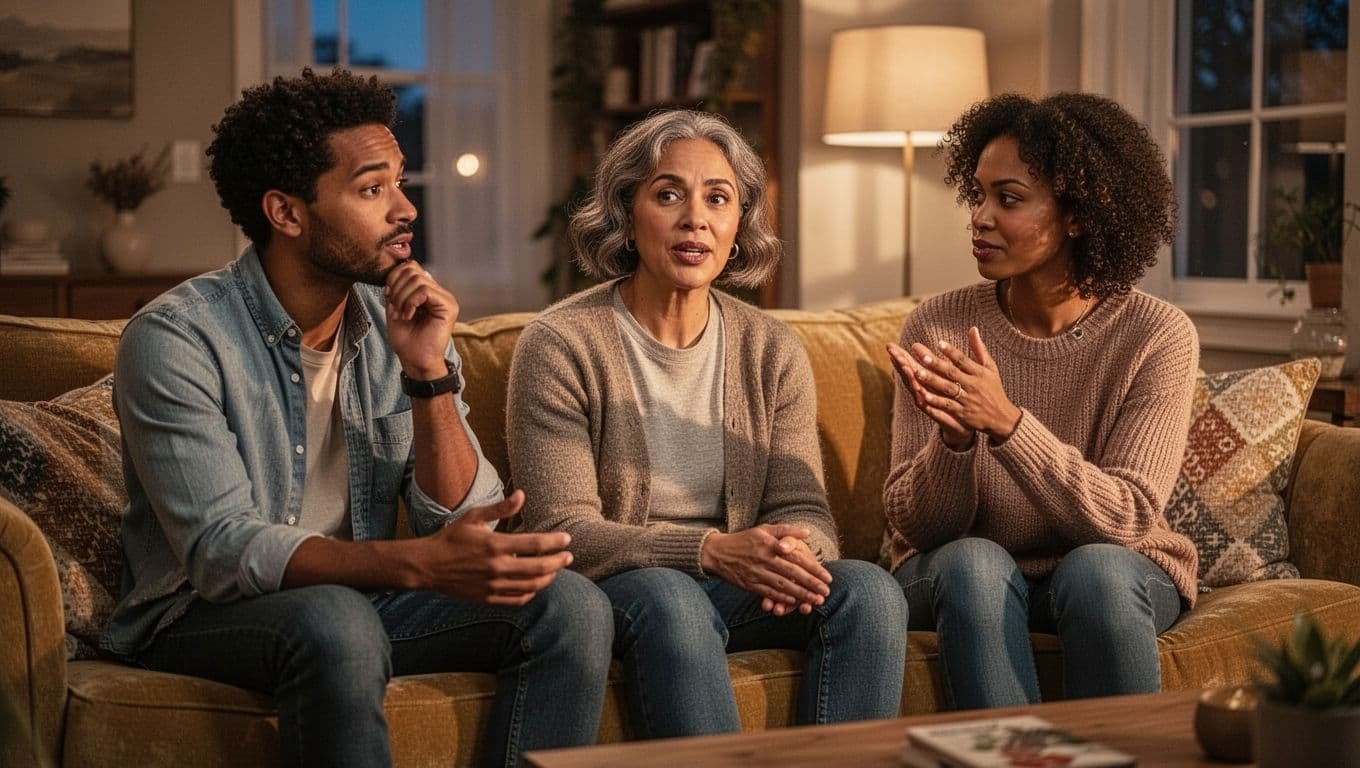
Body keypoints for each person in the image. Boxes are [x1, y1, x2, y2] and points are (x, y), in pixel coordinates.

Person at [102, 68, 613, 768]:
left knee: (571, 606)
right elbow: (222, 552)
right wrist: (414, 567)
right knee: (336, 620)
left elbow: (468, 517)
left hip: (353, 603)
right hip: (200, 616)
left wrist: (428, 373)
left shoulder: (392, 321)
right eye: (373, 189)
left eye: (400, 183)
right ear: (287, 213)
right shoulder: (177, 337)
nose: (405, 208)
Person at [506, 109, 908, 739]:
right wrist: (711, 551)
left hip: (742, 580)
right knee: (673, 599)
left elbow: (805, 506)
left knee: (869, 592)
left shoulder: (771, 348)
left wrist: (792, 555)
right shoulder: (560, 343)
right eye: (669, 194)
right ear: (626, 215)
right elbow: (562, 531)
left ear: (738, 226)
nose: (695, 217)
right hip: (628, 586)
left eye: (718, 199)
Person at [883, 92, 1200, 710]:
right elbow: (915, 527)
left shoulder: (1156, 335)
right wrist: (952, 444)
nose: (979, 216)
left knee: (1099, 572)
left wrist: (1006, 425)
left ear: (1077, 215)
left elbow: (1127, 519)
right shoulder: (936, 325)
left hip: (1112, 564)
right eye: (977, 195)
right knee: (973, 562)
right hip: (960, 572)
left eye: (1009, 198)